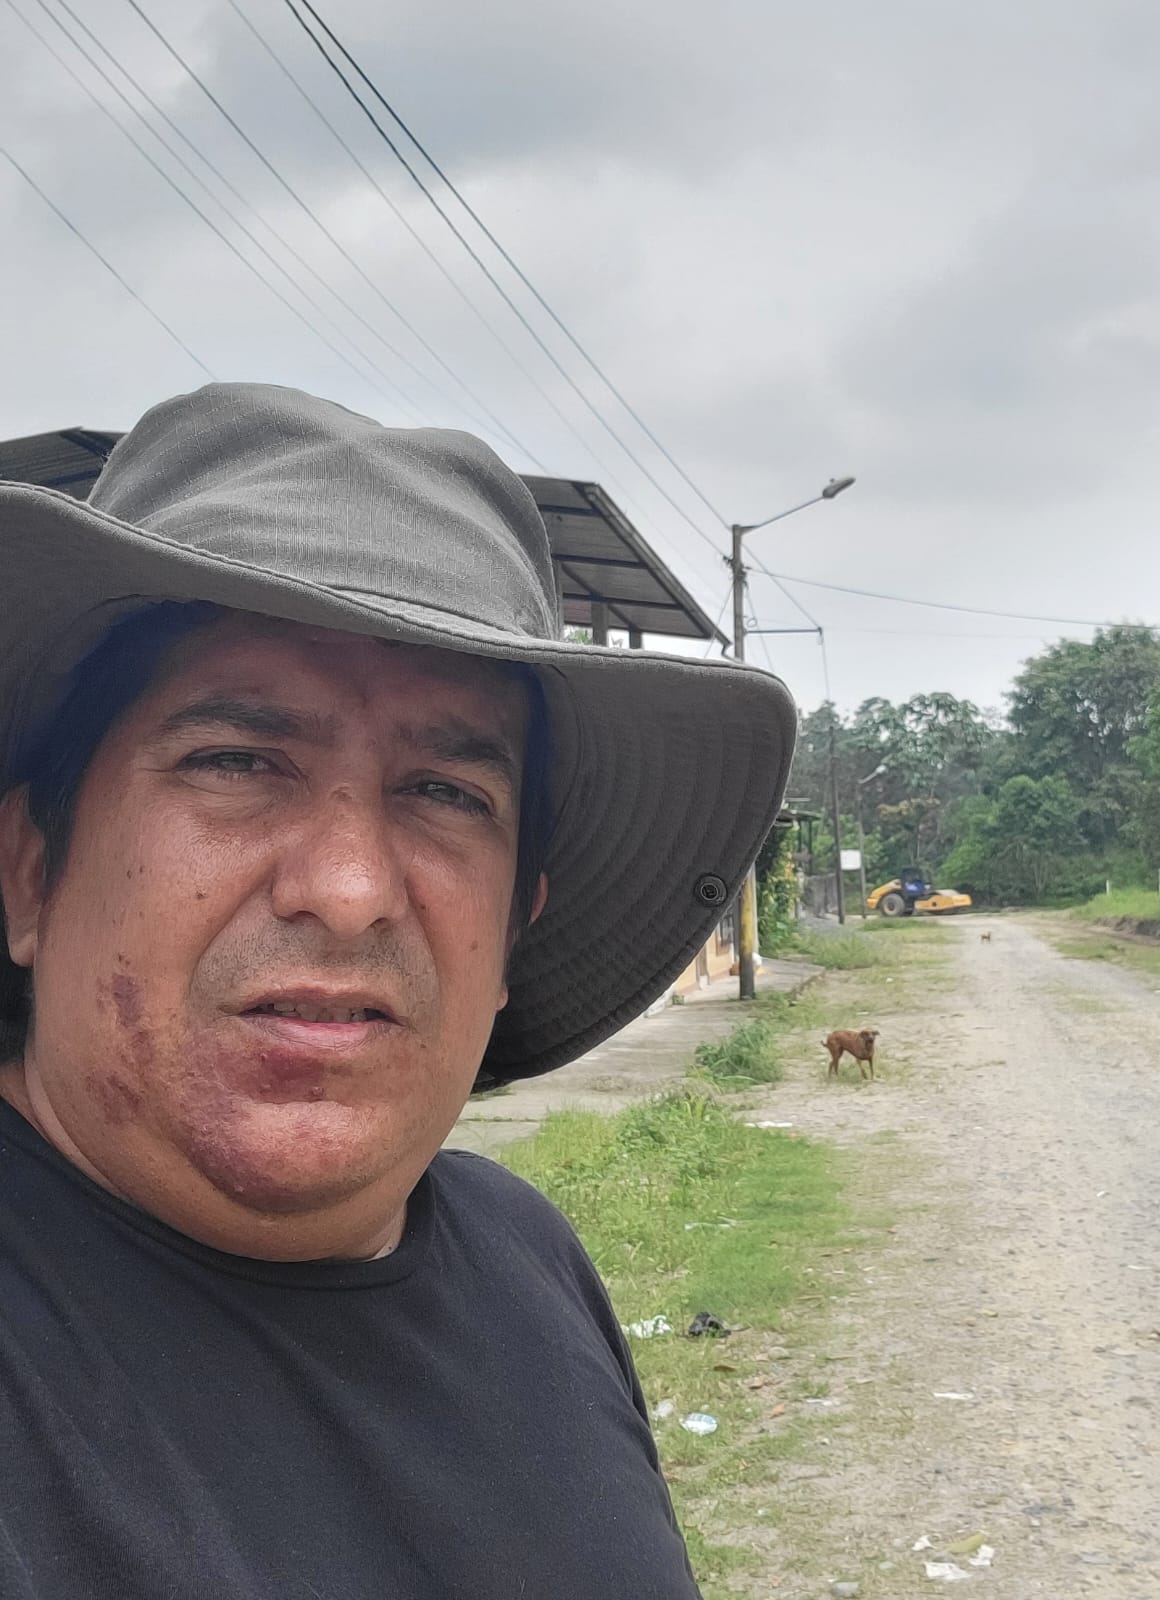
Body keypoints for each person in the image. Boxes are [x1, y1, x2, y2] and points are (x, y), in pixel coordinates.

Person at [0, 383, 796, 1598]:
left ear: (514, 924)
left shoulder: (524, 1254)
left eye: (443, 792)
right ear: (29, 869)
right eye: (236, 759)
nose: (351, 888)